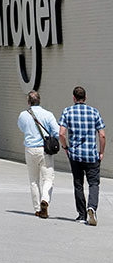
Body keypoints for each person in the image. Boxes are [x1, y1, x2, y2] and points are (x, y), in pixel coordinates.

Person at [59, 86, 105, 226]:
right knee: (94, 183)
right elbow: (102, 135)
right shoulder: (94, 112)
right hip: (91, 155)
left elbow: (61, 133)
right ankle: (92, 207)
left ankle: (81, 215)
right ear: (85, 98)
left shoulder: (67, 112)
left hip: (75, 155)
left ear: (74, 98)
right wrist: (101, 152)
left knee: (78, 184)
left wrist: (66, 147)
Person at [16, 90, 60, 218]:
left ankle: (36, 209)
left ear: (28, 102)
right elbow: (56, 131)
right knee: (48, 178)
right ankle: (45, 199)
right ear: (39, 100)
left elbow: (22, 128)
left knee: (33, 180)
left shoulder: (23, 115)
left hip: (30, 149)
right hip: (45, 150)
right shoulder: (48, 114)